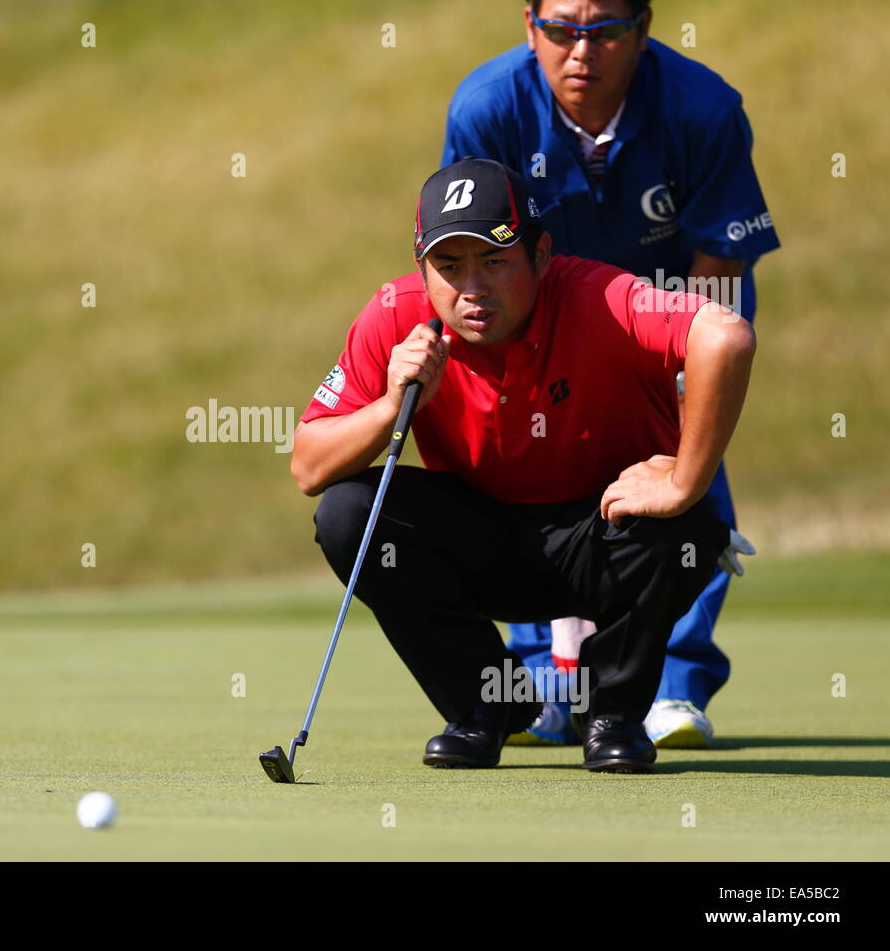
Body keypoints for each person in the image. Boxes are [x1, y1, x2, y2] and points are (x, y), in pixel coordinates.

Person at [291, 157, 755, 772]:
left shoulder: (601, 297)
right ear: (421, 265)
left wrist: (683, 482)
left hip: (608, 534)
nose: (472, 287)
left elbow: (725, 336)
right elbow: (307, 466)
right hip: (485, 544)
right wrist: (390, 406)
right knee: (350, 514)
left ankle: (611, 714)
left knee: (684, 524)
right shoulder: (396, 315)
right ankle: (485, 709)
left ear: (541, 256)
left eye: (495, 260)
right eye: (449, 266)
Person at [439, 0, 778, 747]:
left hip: (670, 323)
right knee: (519, 475)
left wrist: (682, 384)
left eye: (605, 31)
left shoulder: (703, 108)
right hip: (539, 324)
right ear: (529, 28)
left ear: (644, 28)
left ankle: (673, 690)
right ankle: (541, 687)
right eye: (560, 31)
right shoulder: (486, 107)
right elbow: (465, 253)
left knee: (685, 474)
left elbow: (719, 259)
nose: (580, 52)